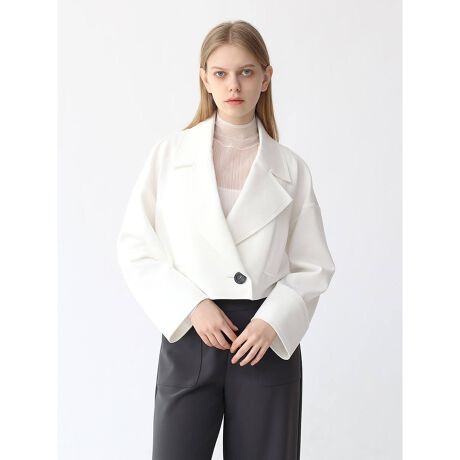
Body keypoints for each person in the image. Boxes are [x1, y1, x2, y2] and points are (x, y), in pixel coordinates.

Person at [116, 19, 336, 460]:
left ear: (266, 78)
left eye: (246, 72)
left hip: (263, 339)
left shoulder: (291, 169)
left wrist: (272, 322)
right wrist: (192, 306)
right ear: (205, 79)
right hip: (191, 333)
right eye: (221, 73)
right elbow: (135, 245)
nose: (233, 85)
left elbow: (313, 265)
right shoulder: (170, 155)